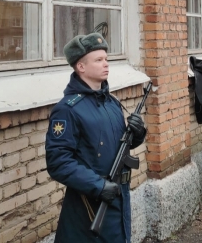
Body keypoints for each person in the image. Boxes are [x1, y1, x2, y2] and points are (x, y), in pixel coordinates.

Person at [45, 33, 147, 242]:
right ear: (81, 66)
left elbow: (119, 146)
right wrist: (98, 186)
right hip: (89, 202)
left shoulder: (112, 103)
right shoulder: (67, 109)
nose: (106, 64)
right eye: (98, 60)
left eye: (106, 59)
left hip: (119, 196)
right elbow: (58, 162)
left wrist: (137, 134)